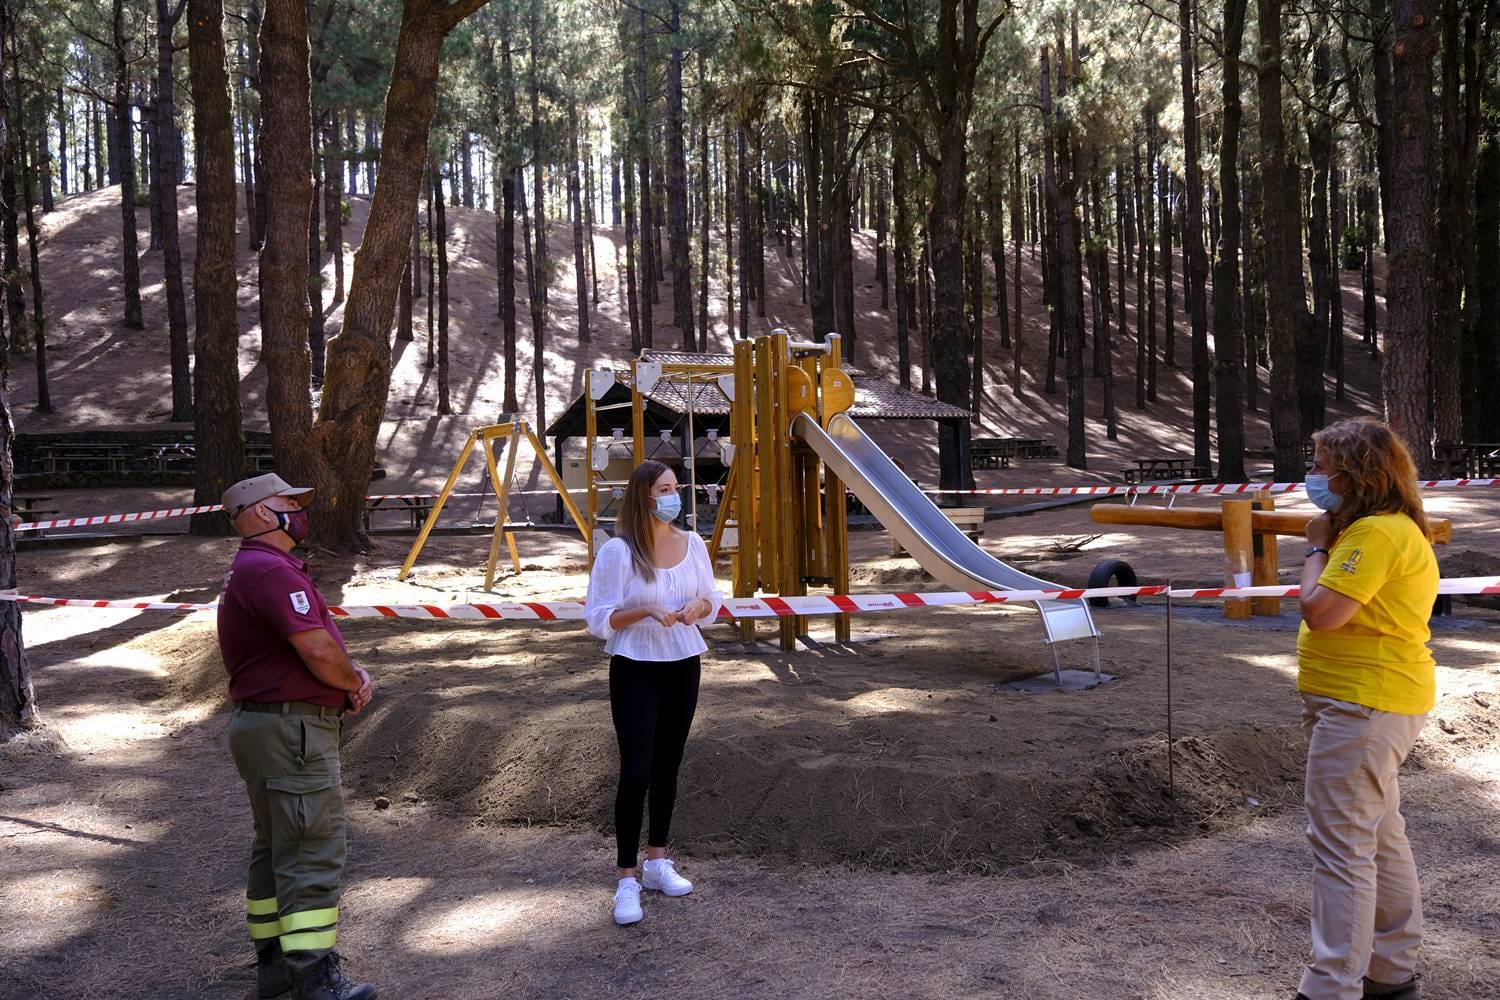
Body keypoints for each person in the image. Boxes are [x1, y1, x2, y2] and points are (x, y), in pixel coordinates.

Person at [217, 474, 377, 1000]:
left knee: (276, 846)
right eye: (288, 502)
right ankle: (315, 978)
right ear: (264, 513)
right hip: (292, 731)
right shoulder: (270, 570)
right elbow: (317, 650)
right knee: (310, 849)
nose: (299, 510)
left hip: (269, 726)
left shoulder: (256, 568)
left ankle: (276, 967)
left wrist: (345, 676)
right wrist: (352, 682)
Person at [1294, 418, 1439, 1000]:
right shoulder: (1385, 528)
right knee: (1377, 835)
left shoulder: (1374, 533)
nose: (1313, 477)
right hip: (1367, 701)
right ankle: (1391, 971)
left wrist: (1316, 547)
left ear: (1354, 475)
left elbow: (1321, 612)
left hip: (1362, 706)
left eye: (1321, 467)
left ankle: (1332, 985)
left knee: (1342, 847)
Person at [584, 460, 724, 926]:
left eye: (675, 487)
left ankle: (657, 861)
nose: (673, 496)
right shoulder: (618, 551)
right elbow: (599, 618)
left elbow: (712, 600)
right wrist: (643, 609)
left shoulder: (693, 543)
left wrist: (698, 606)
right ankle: (626, 878)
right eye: (664, 489)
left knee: (669, 765)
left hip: (684, 661)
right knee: (637, 769)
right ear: (643, 495)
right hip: (635, 666)